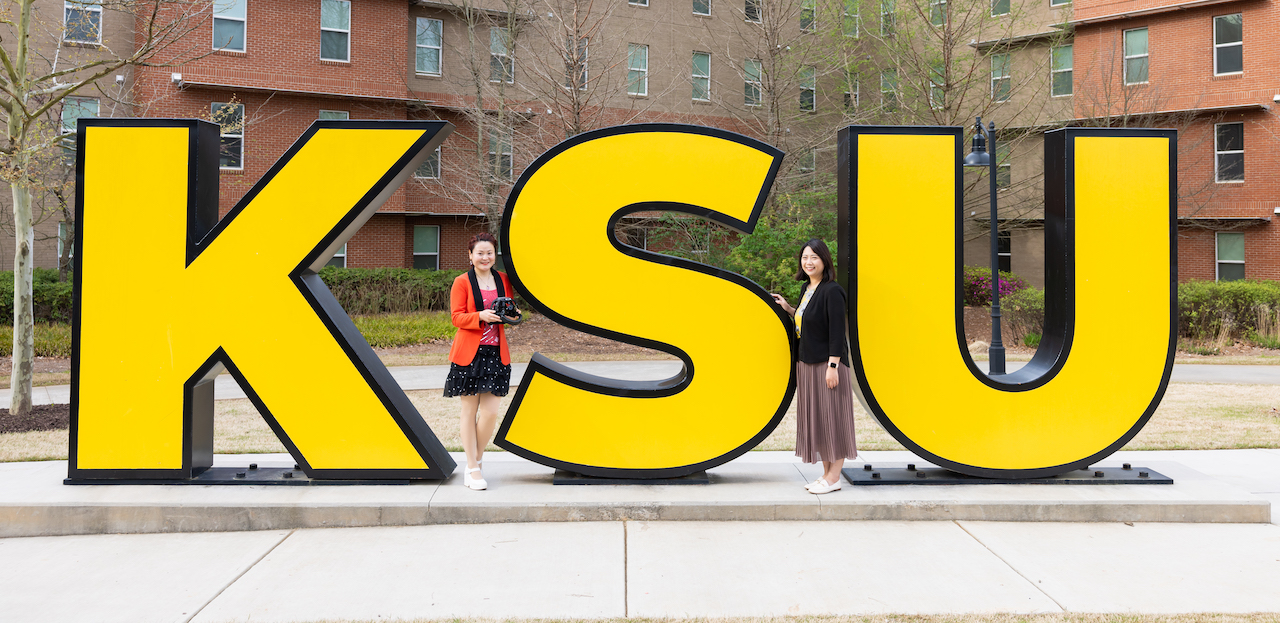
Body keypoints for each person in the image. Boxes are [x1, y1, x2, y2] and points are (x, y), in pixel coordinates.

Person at [771, 238, 858, 494]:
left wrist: (833, 365)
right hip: (807, 364)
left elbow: (835, 331)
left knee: (835, 419)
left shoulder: (832, 290)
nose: (808, 262)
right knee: (820, 420)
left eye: (814, 258)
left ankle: (834, 478)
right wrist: (789, 308)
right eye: (805, 257)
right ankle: (825, 475)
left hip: (827, 365)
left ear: (824, 261)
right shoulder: (807, 289)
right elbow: (809, 320)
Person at [445, 232, 518, 491]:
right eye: (480, 253)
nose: (485, 257)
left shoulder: (504, 280)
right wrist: (481, 316)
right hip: (469, 353)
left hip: (497, 352)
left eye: (489, 253)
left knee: (490, 412)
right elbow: (456, 317)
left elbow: (508, 309)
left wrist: (512, 314)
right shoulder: (462, 282)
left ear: (494, 255)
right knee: (469, 410)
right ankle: (473, 467)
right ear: (470, 256)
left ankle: (475, 460)